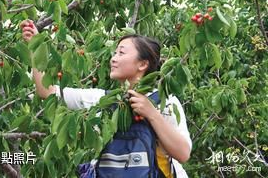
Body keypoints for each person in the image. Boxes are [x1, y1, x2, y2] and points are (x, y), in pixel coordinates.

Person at [21, 20, 192, 177]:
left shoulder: (164, 101)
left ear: (142, 64)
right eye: (115, 53)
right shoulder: (102, 100)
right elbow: (47, 92)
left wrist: (152, 113)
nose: (113, 59)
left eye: (121, 53)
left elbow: (183, 154)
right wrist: (36, 48)